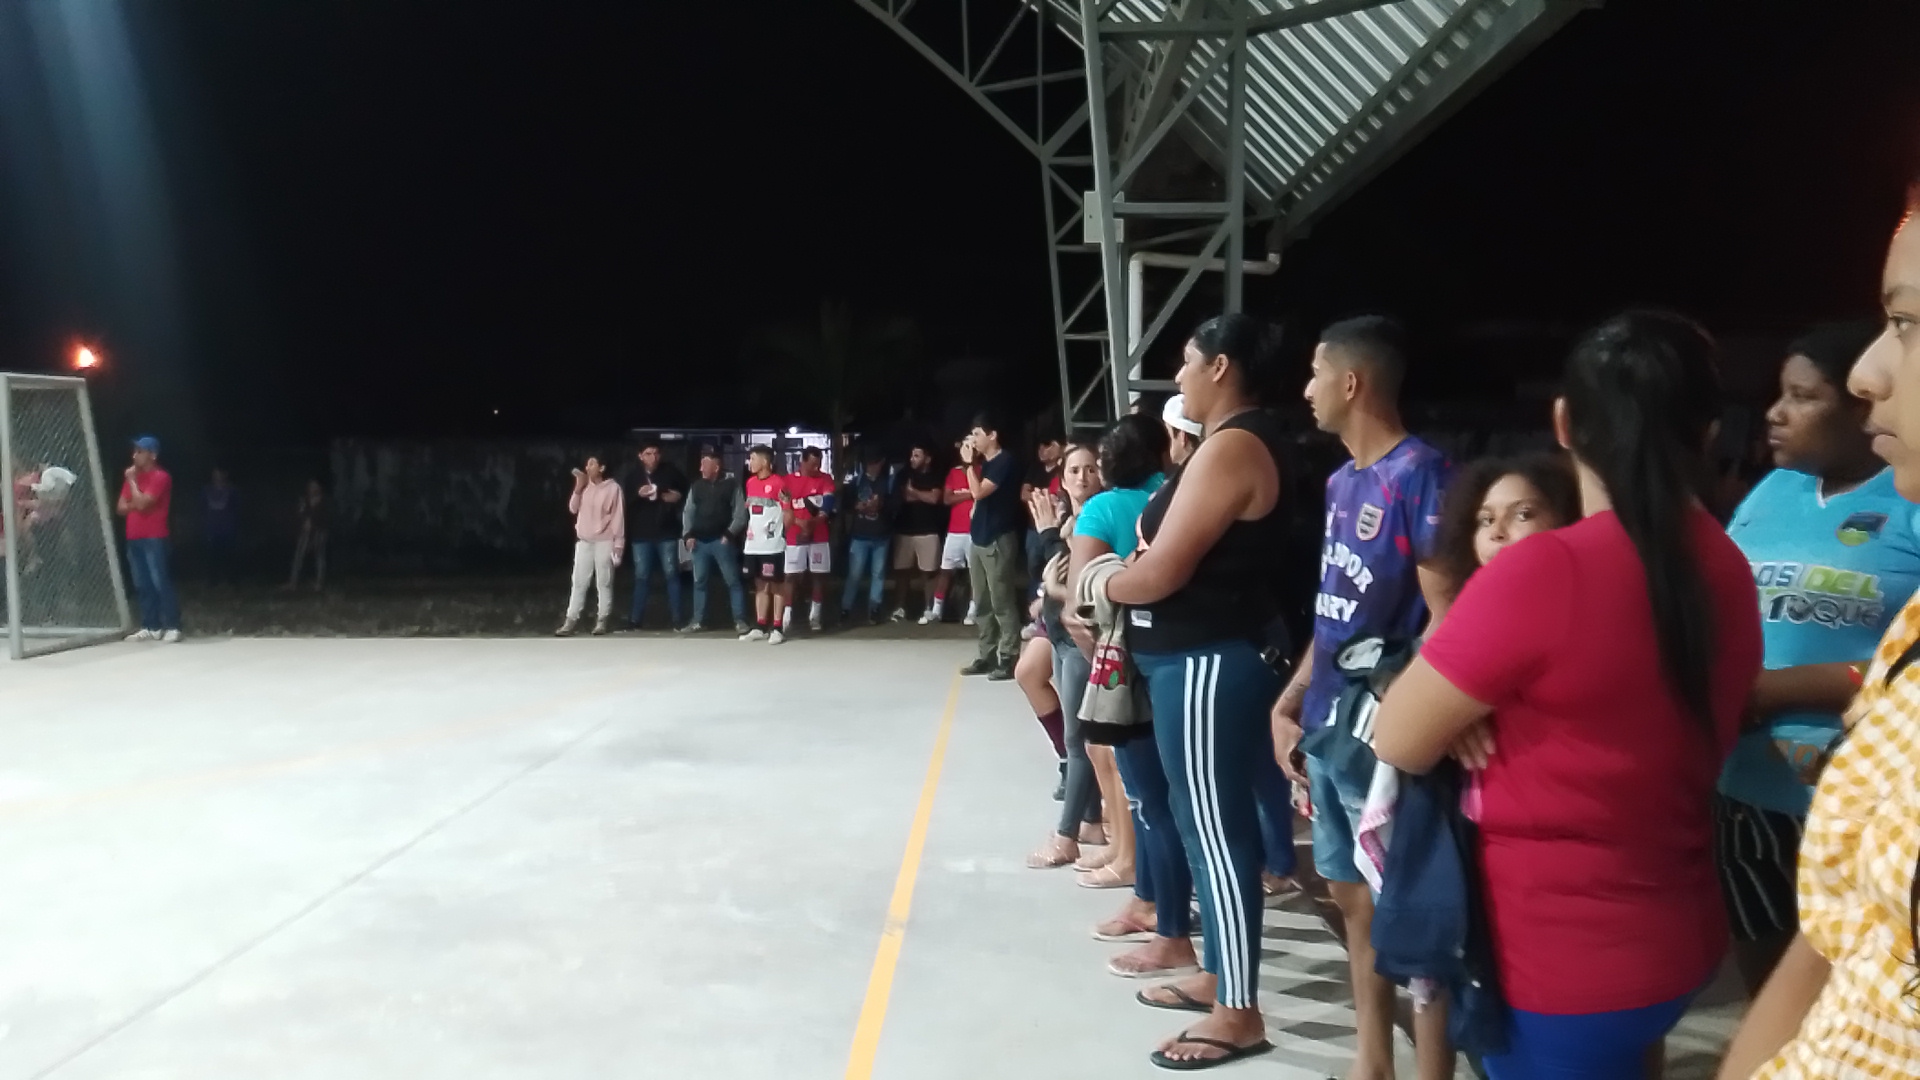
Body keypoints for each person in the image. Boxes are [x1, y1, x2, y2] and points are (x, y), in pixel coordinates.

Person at [1371, 311, 1763, 1080]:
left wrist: (1463, 713)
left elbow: (1398, 737)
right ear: (1709, 432)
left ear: (1562, 423)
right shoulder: (1725, 563)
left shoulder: (1545, 570)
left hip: (1557, 961)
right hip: (1680, 938)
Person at [1720, 204, 1920, 1079]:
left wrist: (1781, 691)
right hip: (1748, 792)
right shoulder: (1770, 495)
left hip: (1826, 790)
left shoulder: (1905, 501)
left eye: (1804, 397)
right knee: (1776, 964)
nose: (1775, 414)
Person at [1095, 314, 1293, 1068]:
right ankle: (1219, 976)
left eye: (1186, 360)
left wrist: (1096, 580)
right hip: (1187, 660)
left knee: (1217, 832)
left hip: (1207, 659)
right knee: (1198, 822)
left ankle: (1239, 1011)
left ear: (1221, 367)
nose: (1177, 376)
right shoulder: (1227, 443)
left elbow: (1160, 571)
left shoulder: (1235, 445)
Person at [1270, 315, 1454, 1080]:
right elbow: (1334, 610)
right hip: (1328, 728)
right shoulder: (1342, 482)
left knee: (1411, 908)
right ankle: (1372, 1060)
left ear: (1351, 383)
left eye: (1315, 373)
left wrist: (1410, 722)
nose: (1306, 390)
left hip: (1382, 735)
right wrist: (1291, 700)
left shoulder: (1423, 475)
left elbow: (1447, 619)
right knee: (1350, 894)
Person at [1026, 443, 1111, 870]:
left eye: (1090, 469)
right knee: (1078, 738)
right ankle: (1091, 819)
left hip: (1080, 639)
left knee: (1079, 742)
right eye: (1074, 470)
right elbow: (1045, 577)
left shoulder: (1095, 520)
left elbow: (1073, 584)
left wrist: (1048, 539)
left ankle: (1067, 837)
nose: (1082, 476)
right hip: (1060, 636)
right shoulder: (1066, 521)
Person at [960, 414, 1024, 679]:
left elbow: (979, 492)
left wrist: (967, 465)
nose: (973, 439)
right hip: (979, 537)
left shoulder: (1004, 461)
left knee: (1001, 601)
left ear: (992, 435)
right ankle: (987, 654)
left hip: (998, 538)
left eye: (977, 434)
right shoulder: (986, 463)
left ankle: (1008, 656)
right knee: (982, 601)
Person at [118, 436, 180, 643]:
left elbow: (144, 504)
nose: (135, 456)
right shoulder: (133, 478)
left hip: (154, 536)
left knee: (159, 581)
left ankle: (172, 625)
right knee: (142, 583)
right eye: (134, 451)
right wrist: (137, 500)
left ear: (152, 455)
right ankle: (151, 625)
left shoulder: (160, 477)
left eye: (140, 452)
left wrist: (133, 484)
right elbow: (120, 507)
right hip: (134, 536)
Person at [680, 448, 749, 635]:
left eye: (705, 464)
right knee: (699, 582)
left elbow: (740, 514)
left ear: (716, 467)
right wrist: (688, 535)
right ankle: (698, 621)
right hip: (699, 542)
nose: (700, 468)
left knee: (732, 581)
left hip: (722, 541)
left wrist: (729, 534)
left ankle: (740, 620)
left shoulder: (731, 485)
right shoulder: (697, 486)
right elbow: (688, 512)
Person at [623, 441, 688, 630]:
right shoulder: (633, 476)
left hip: (666, 531)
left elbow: (685, 491)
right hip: (641, 533)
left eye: (656, 453)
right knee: (641, 576)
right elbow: (625, 502)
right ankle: (635, 620)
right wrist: (638, 495)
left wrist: (676, 496)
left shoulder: (670, 471)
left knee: (671, 574)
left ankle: (677, 619)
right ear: (640, 456)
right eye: (648, 453)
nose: (653, 457)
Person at [558, 455, 624, 637]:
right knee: (579, 581)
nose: (587, 468)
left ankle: (602, 619)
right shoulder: (584, 486)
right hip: (584, 540)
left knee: (604, 581)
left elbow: (618, 517)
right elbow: (573, 508)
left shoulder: (613, 488)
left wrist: (618, 544)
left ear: (602, 468)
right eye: (587, 464)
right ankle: (571, 620)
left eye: (592, 464)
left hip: (604, 540)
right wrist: (578, 488)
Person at [740, 445, 793, 644]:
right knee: (760, 584)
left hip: (773, 545)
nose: (750, 462)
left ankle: (777, 627)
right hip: (753, 544)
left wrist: (780, 534)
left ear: (764, 461)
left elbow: (788, 513)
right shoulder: (750, 483)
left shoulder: (779, 483)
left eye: (753, 458)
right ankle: (760, 625)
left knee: (777, 584)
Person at [841, 444, 896, 625]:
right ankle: (846, 608)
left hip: (881, 535)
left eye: (874, 463)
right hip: (859, 535)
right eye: (868, 463)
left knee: (878, 573)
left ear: (881, 463)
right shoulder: (857, 481)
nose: (871, 466)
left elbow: (895, 506)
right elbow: (846, 504)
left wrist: (881, 505)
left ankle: (874, 608)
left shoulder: (888, 482)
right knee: (854, 574)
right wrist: (857, 506)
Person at [890, 442, 945, 622]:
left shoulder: (935, 475)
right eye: (912, 455)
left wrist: (914, 491)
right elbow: (903, 497)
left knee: (929, 572)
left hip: (929, 529)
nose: (912, 459)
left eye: (917, 456)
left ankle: (928, 608)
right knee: (902, 571)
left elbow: (935, 498)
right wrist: (923, 495)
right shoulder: (903, 474)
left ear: (927, 459)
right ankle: (900, 608)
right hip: (905, 529)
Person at [782, 447, 833, 633]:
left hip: (819, 535)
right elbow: (784, 508)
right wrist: (800, 523)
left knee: (818, 575)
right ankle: (786, 615)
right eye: (812, 464)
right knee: (791, 575)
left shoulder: (825, 479)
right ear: (802, 461)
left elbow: (828, 504)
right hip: (794, 535)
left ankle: (815, 615)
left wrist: (814, 523)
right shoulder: (787, 481)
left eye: (819, 464)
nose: (816, 468)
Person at [934, 449, 977, 625]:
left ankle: (973, 611)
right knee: (945, 570)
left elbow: (982, 494)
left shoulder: (982, 470)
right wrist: (970, 493)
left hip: (975, 531)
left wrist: (959, 495)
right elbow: (947, 499)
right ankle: (936, 609)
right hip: (955, 531)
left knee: (975, 573)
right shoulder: (954, 472)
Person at [1023, 431, 1066, 596]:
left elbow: (1063, 496)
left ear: (1060, 446)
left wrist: (1038, 494)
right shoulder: (1035, 469)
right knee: (1035, 568)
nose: (1042, 450)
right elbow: (1023, 494)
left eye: (1047, 445)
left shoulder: (1065, 470)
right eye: (1039, 446)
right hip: (1034, 527)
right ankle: (1033, 604)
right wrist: (1047, 496)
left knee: (1056, 566)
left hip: (1059, 527)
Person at [287, 479, 330, 592]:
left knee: (319, 557)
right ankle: (293, 582)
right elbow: (300, 513)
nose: (313, 489)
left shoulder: (323, 501)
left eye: (315, 487)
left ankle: (319, 583)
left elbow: (325, 517)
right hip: (306, 533)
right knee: (298, 556)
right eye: (311, 487)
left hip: (319, 532)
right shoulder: (304, 500)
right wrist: (305, 521)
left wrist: (314, 522)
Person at [203, 468, 239, 587]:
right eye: (215, 474)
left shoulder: (231, 490)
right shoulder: (207, 490)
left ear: (225, 475)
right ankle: (213, 581)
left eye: (219, 474)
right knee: (212, 556)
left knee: (229, 555)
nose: (217, 477)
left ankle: (232, 580)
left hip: (228, 528)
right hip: (212, 528)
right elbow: (202, 508)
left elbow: (236, 508)